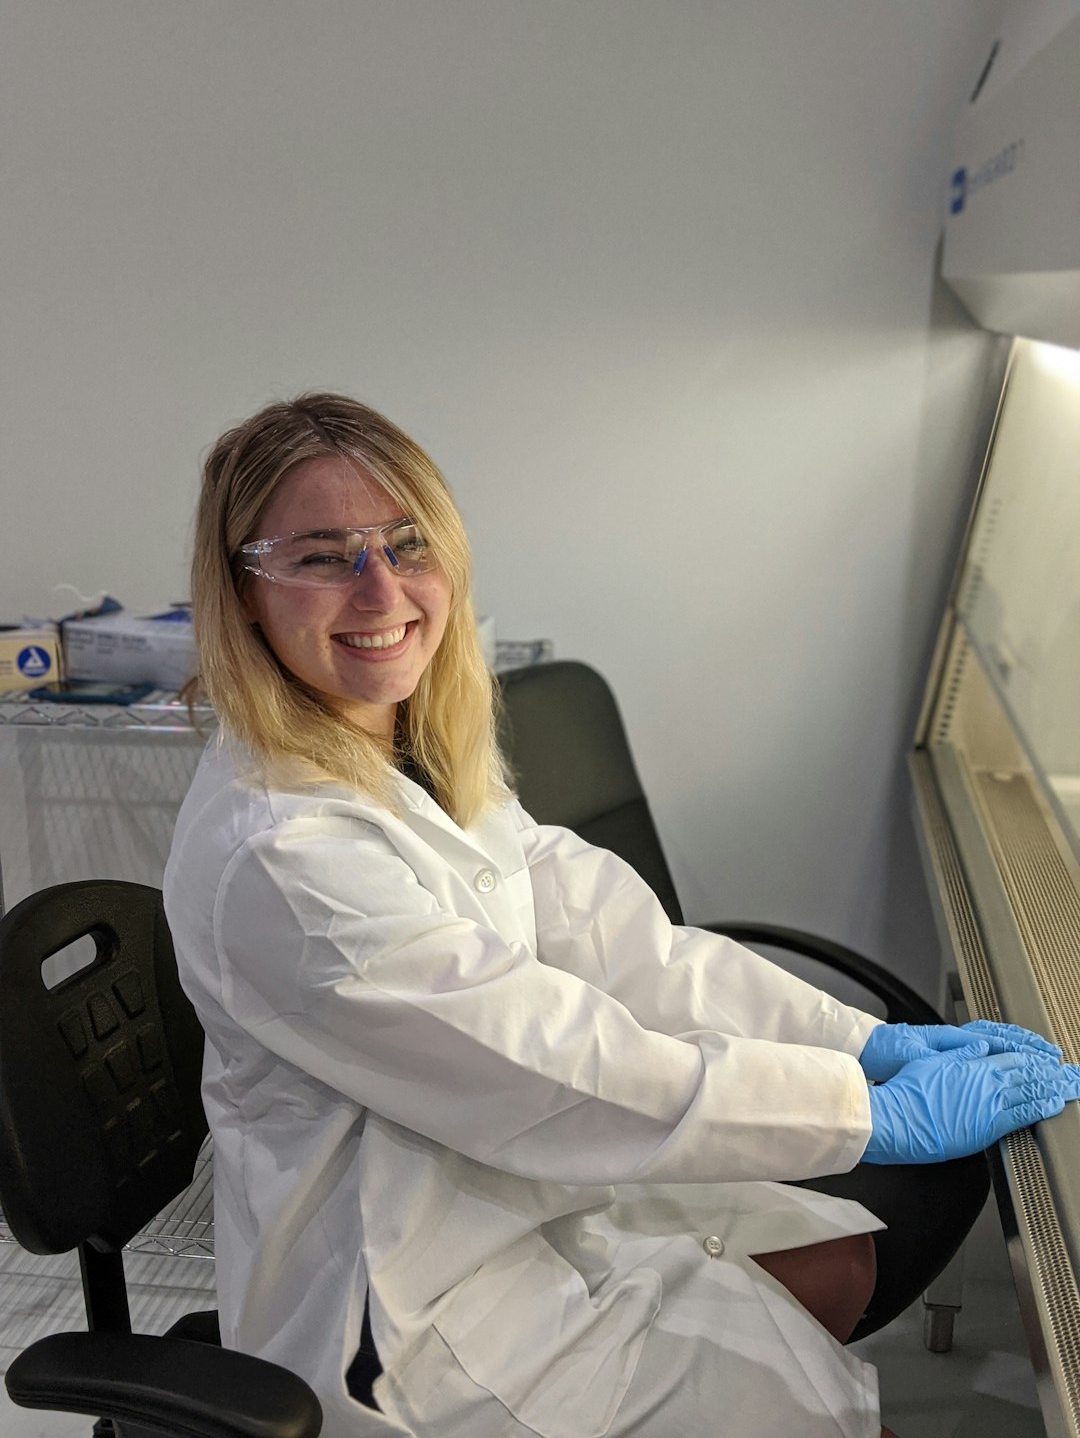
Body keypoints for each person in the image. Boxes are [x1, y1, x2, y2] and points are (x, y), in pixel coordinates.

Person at [164, 392, 1080, 1438]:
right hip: (409, 1311)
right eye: (322, 556)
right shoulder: (285, 854)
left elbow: (613, 935)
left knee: (829, 1260)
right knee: (815, 1403)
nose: (381, 586)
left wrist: (860, 1042)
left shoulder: (398, 742)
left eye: (405, 542)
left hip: (503, 1196)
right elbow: (553, 1061)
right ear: (241, 591)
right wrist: (866, 1111)